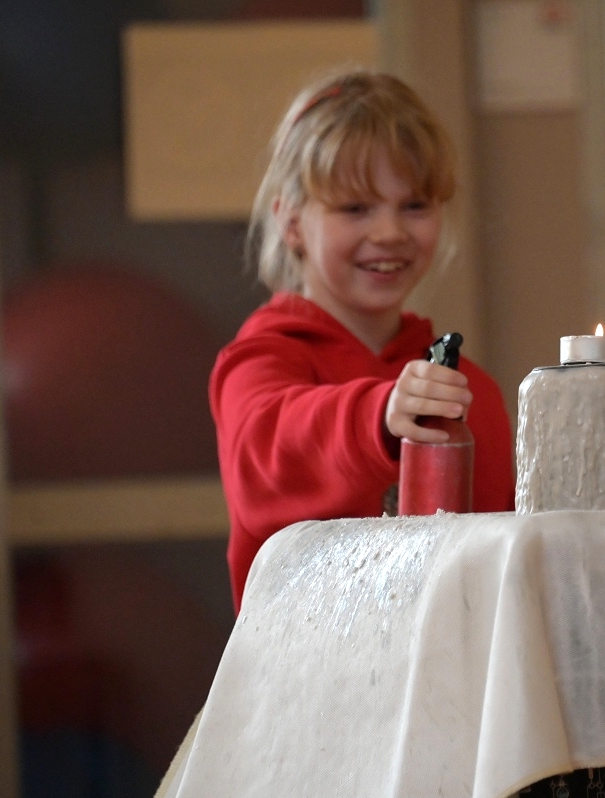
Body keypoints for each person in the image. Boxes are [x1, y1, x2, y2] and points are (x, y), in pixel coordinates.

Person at [210, 69, 516, 611]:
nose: (389, 233)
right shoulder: (260, 360)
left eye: (414, 205)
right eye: (355, 208)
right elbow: (269, 453)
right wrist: (379, 419)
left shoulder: (472, 393)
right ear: (291, 223)